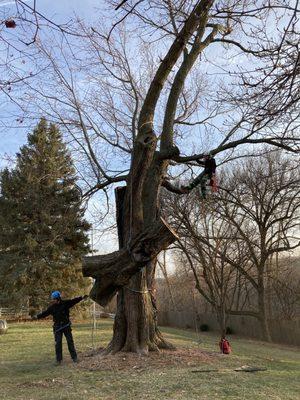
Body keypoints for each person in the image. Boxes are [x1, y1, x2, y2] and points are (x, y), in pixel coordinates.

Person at [32, 290, 88, 365]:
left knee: (70, 341)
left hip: (66, 326)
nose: (53, 301)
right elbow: (45, 313)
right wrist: (37, 317)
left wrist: (82, 298)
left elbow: (73, 301)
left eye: (54, 299)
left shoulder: (65, 304)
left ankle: (74, 358)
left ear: (58, 298)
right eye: (53, 299)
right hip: (57, 327)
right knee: (58, 343)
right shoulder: (52, 307)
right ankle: (58, 360)